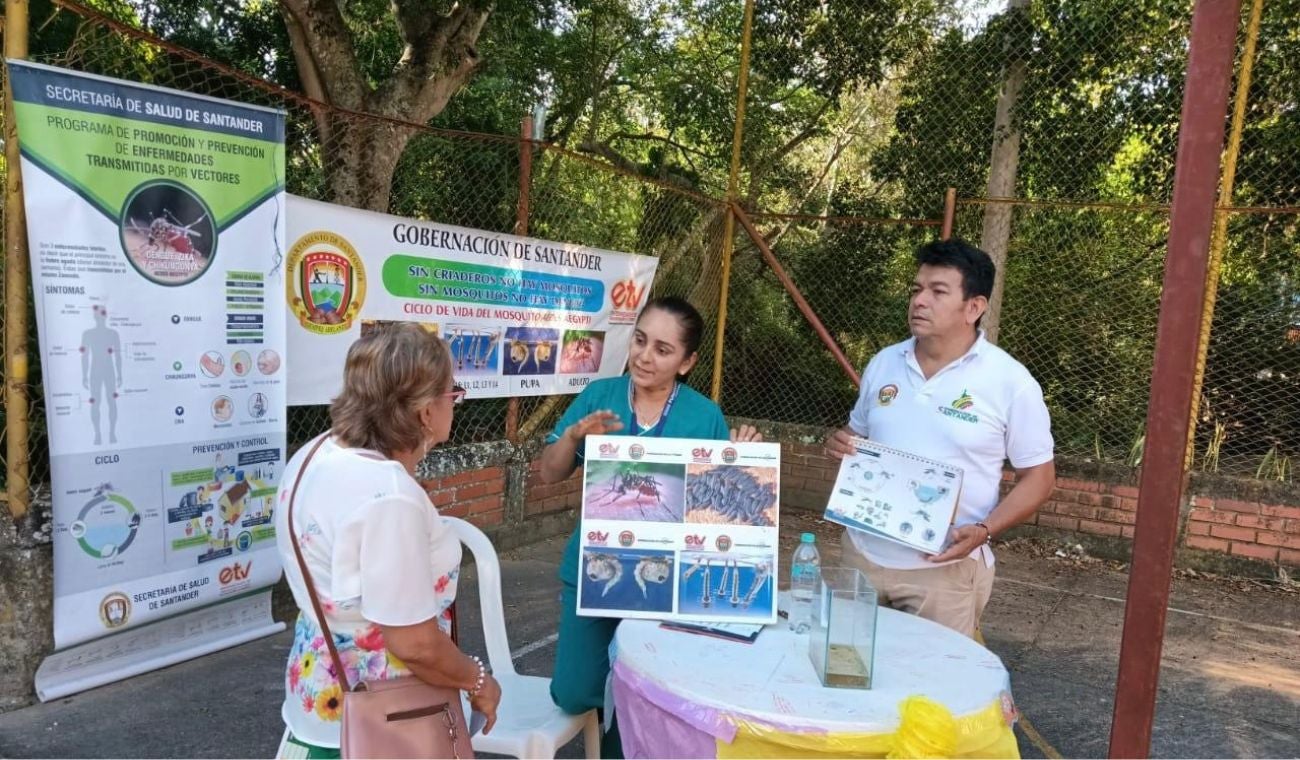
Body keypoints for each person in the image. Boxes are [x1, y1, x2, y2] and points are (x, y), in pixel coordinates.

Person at [538, 296, 759, 757]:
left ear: (687, 361)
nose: (644, 355)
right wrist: (576, 437)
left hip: (667, 580)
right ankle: (620, 711)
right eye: (640, 340)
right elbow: (549, 471)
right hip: (594, 571)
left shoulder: (704, 416)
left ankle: (624, 743)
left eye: (662, 349)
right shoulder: (600, 395)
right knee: (575, 692)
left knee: (653, 687)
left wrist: (741, 460)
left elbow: (720, 508)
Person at [274, 324, 502, 759]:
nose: (455, 401)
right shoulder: (388, 497)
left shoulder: (315, 454)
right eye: (452, 392)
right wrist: (477, 680)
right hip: (382, 715)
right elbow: (413, 643)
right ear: (424, 412)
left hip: (318, 692)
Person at [824, 239, 1055, 638]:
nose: (920, 301)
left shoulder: (1009, 382)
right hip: (861, 557)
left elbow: (1040, 478)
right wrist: (838, 443)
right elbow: (855, 436)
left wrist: (984, 531)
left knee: (934, 693)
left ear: (974, 307)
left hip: (942, 570)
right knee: (849, 677)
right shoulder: (885, 363)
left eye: (938, 291)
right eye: (916, 289)